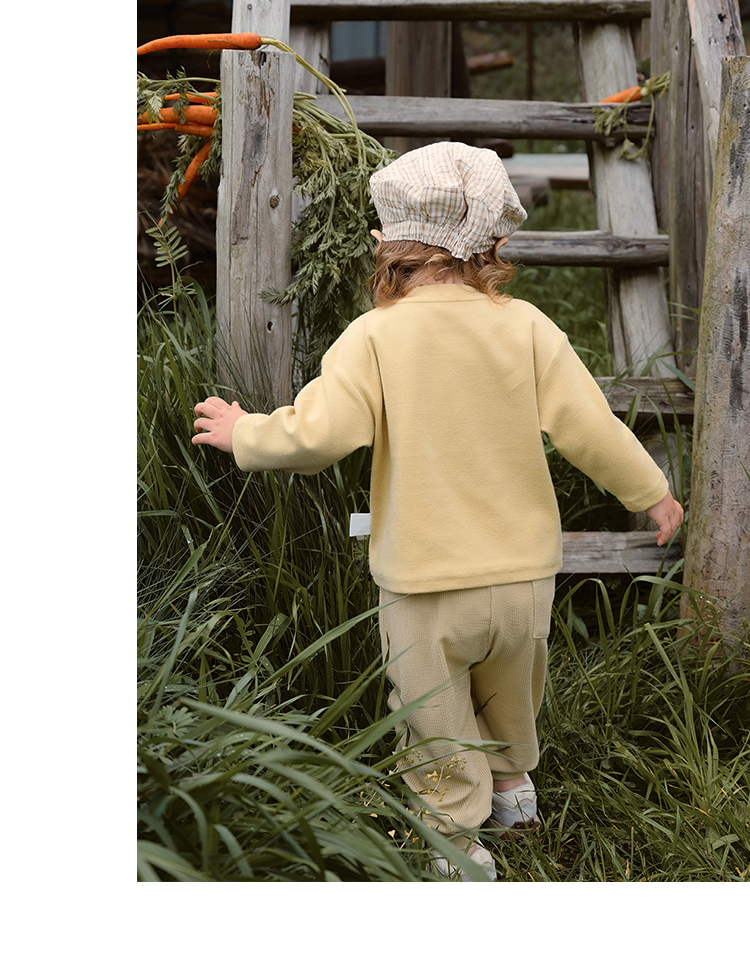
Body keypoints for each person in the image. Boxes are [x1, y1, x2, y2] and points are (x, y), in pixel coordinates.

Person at [192, 141, 683, 882]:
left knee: (432, 708)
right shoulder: (526, 326)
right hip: (521, 578)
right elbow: (591, 426)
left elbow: (320, 435)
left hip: (426, 582)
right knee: (513, 691)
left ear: (388, 243)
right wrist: (652, 491)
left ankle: (455, 835)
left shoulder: (375, 336)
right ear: (491, 243)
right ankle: (514, 788)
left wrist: (246, 433)